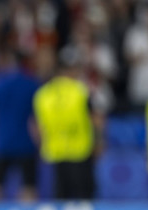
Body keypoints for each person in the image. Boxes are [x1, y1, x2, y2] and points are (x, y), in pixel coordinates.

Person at [33, 49, 103, 200]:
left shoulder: (43, 94)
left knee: (61, 198)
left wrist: (42, 144)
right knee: (85, 198)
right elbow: (97, 120)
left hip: (56, 151)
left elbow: (37, 127)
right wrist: (99, 142)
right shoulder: (81, 90)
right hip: (81, 151)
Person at [0, 51, 40, 202]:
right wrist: (40, 142)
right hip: (26, 143)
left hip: (4, 142)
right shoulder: (32, 85)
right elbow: (36, 118)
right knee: (29, 186)